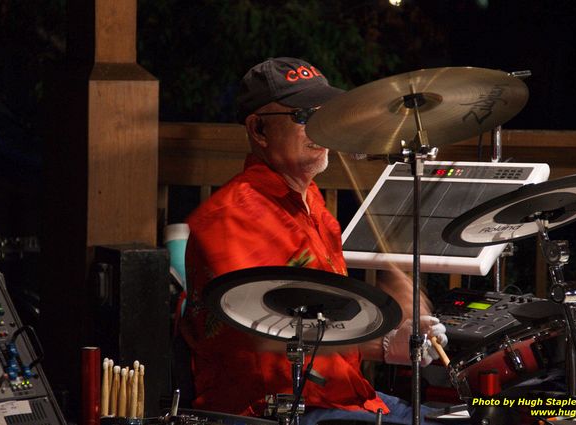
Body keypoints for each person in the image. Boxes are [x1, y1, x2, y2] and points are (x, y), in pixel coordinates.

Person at [180, 57, 448, 425]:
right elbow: (272, 329)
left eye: (325, 114)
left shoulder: (314, 204)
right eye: (305, 115)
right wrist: (385, 343)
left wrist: (399, 322)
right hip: (276, 409)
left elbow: (324, 312)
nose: (321, 127)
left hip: (345, 397)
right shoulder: (232, 214)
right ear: (259, 129)